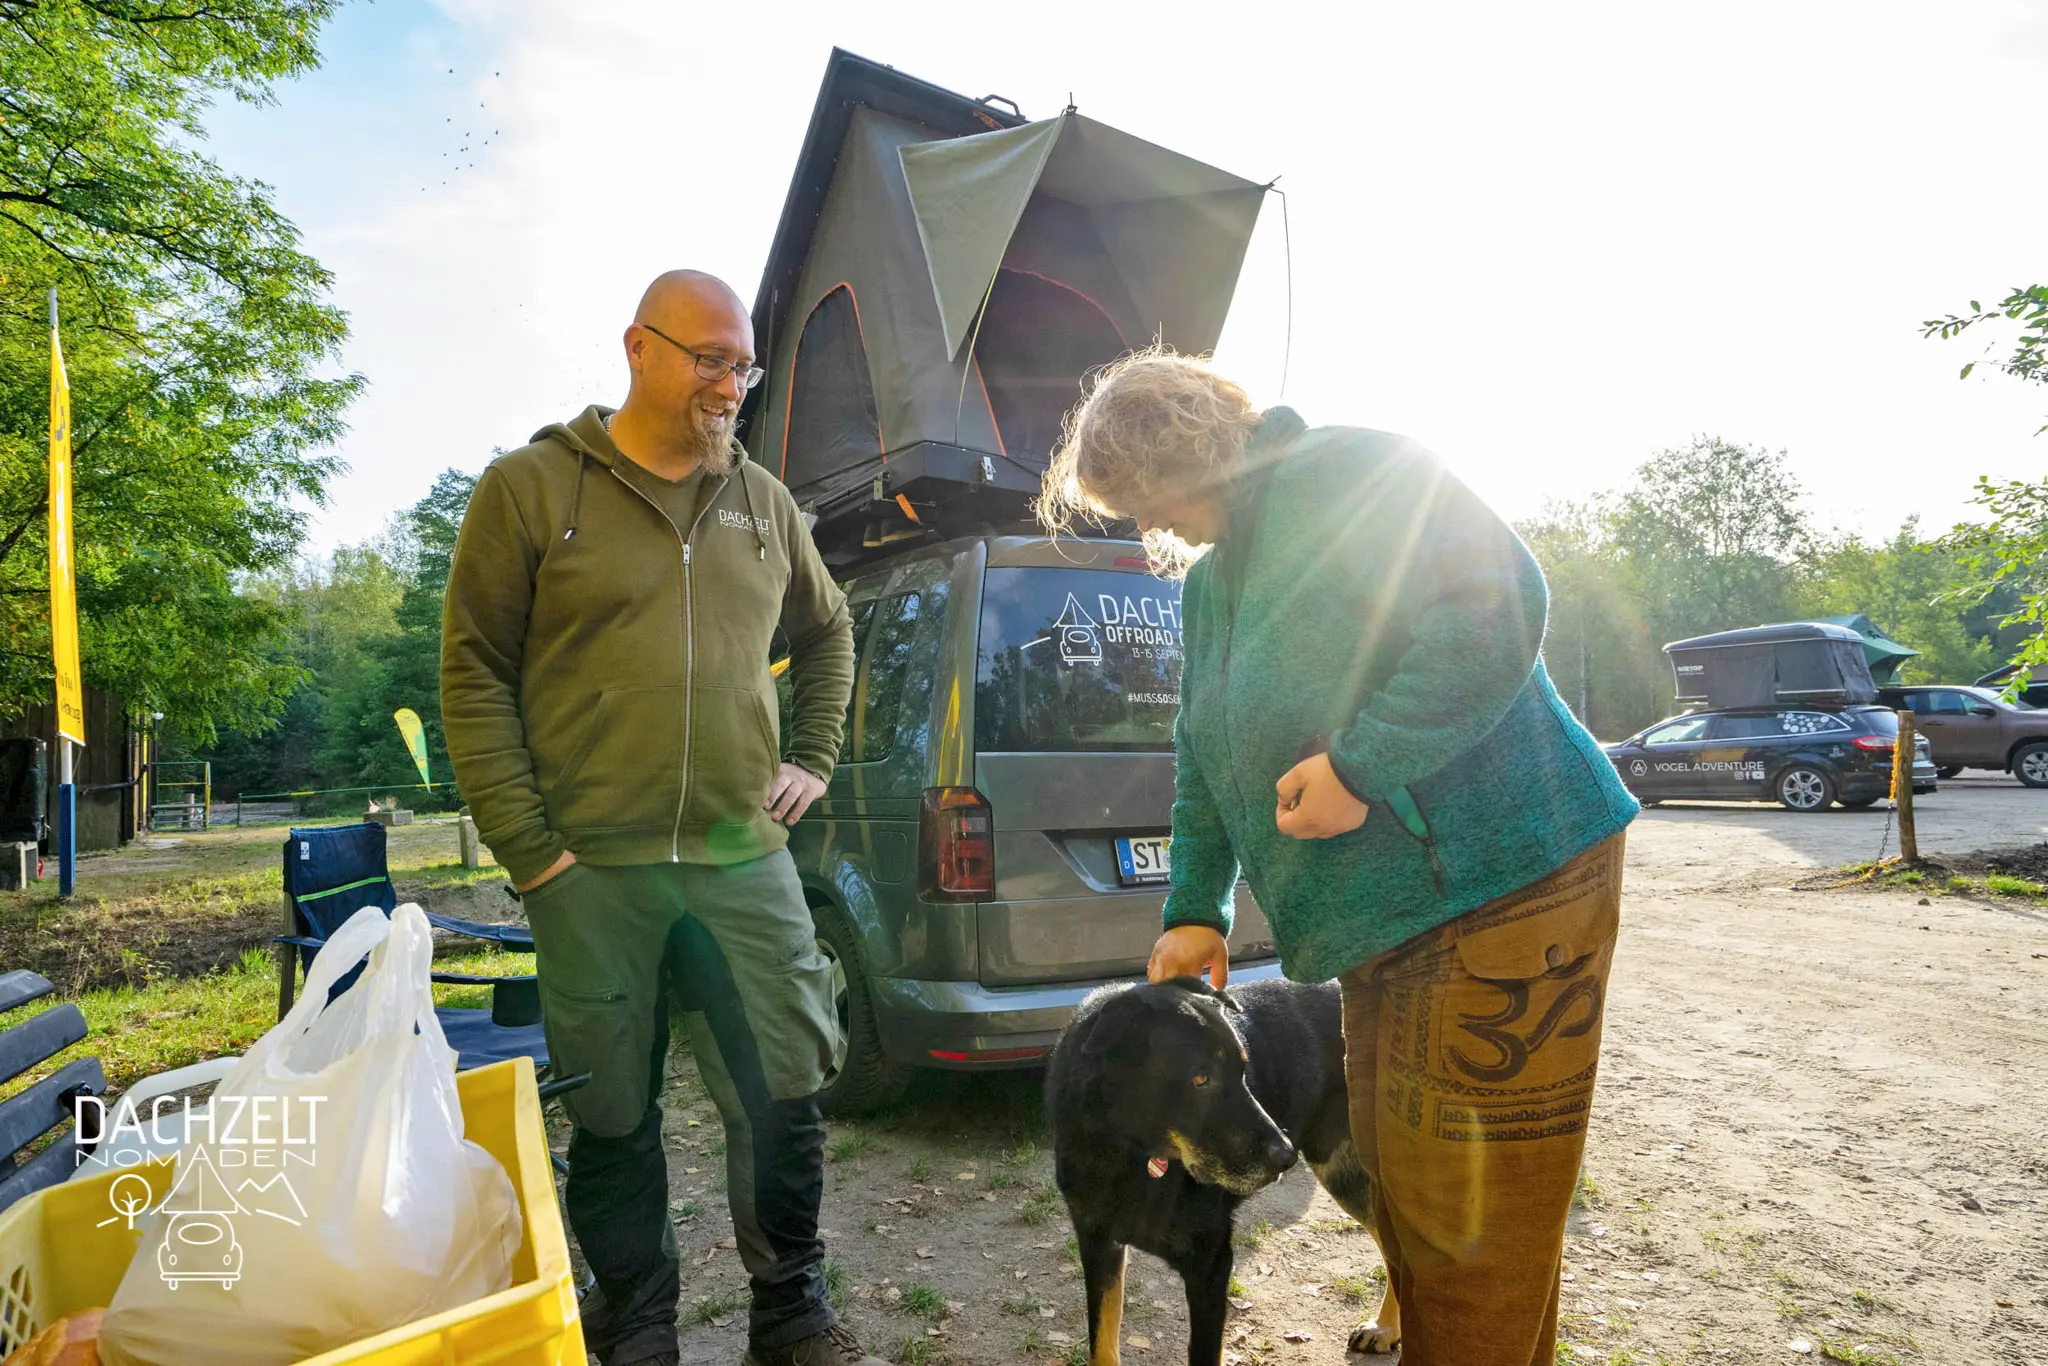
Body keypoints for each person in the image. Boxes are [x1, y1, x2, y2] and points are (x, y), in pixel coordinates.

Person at [1037, 347, 1640, 1366]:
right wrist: (1193, 906)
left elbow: (1498, 600)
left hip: (1503, 885)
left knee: (1469, 1229)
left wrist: (1360, 766)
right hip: (1388, 924)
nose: (1147, 527)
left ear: (1190, 449)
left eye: (1141, 496)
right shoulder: (1211, 585)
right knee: (1406, 1206)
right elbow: (1199, 750)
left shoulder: (1350, 473)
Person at [442, 271, 885, 1366]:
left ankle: (790, 1310)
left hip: (746, 862)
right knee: (610, 1110)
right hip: (591, 870)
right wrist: (533, 853)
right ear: (637, 348)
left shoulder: (764, 505)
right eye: (707, 358)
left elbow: (828, 635)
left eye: (742, 364)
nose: (729, 383)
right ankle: (636, 1318)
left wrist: (812, 758)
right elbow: (473, 674)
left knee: (786, 1088)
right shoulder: (532, 490)